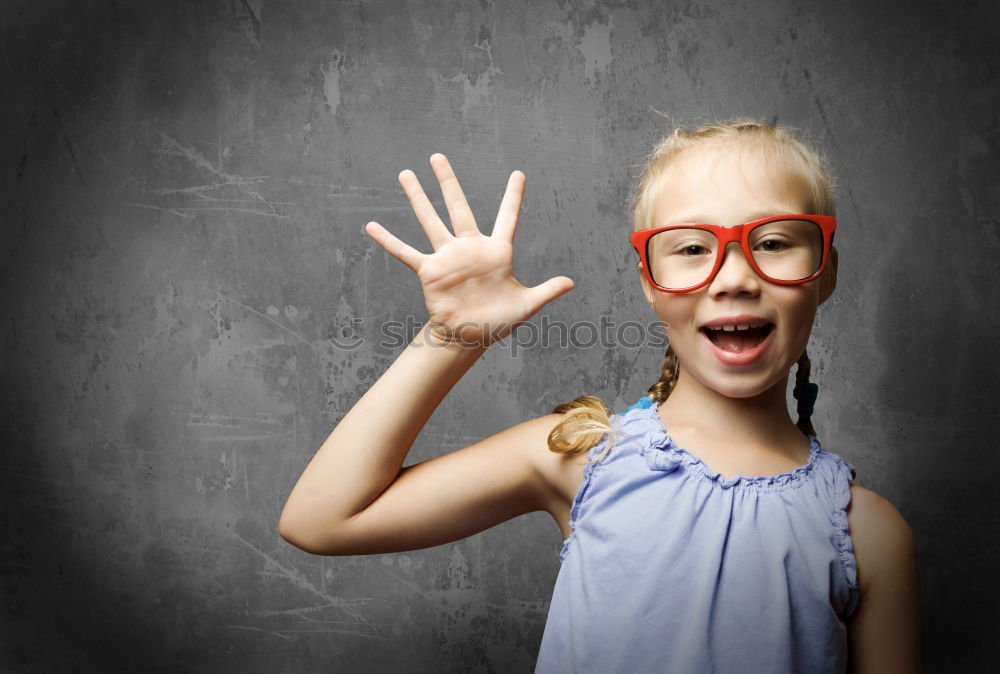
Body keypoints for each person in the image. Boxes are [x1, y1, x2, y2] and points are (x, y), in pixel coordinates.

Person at [278, 118, 922, 673]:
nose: (733, 278)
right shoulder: (585, 454)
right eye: (692, 248)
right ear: (648, 278)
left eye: (775, 242)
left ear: (826, 270)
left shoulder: (870, 534)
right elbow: (321, 519)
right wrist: (452, 337)